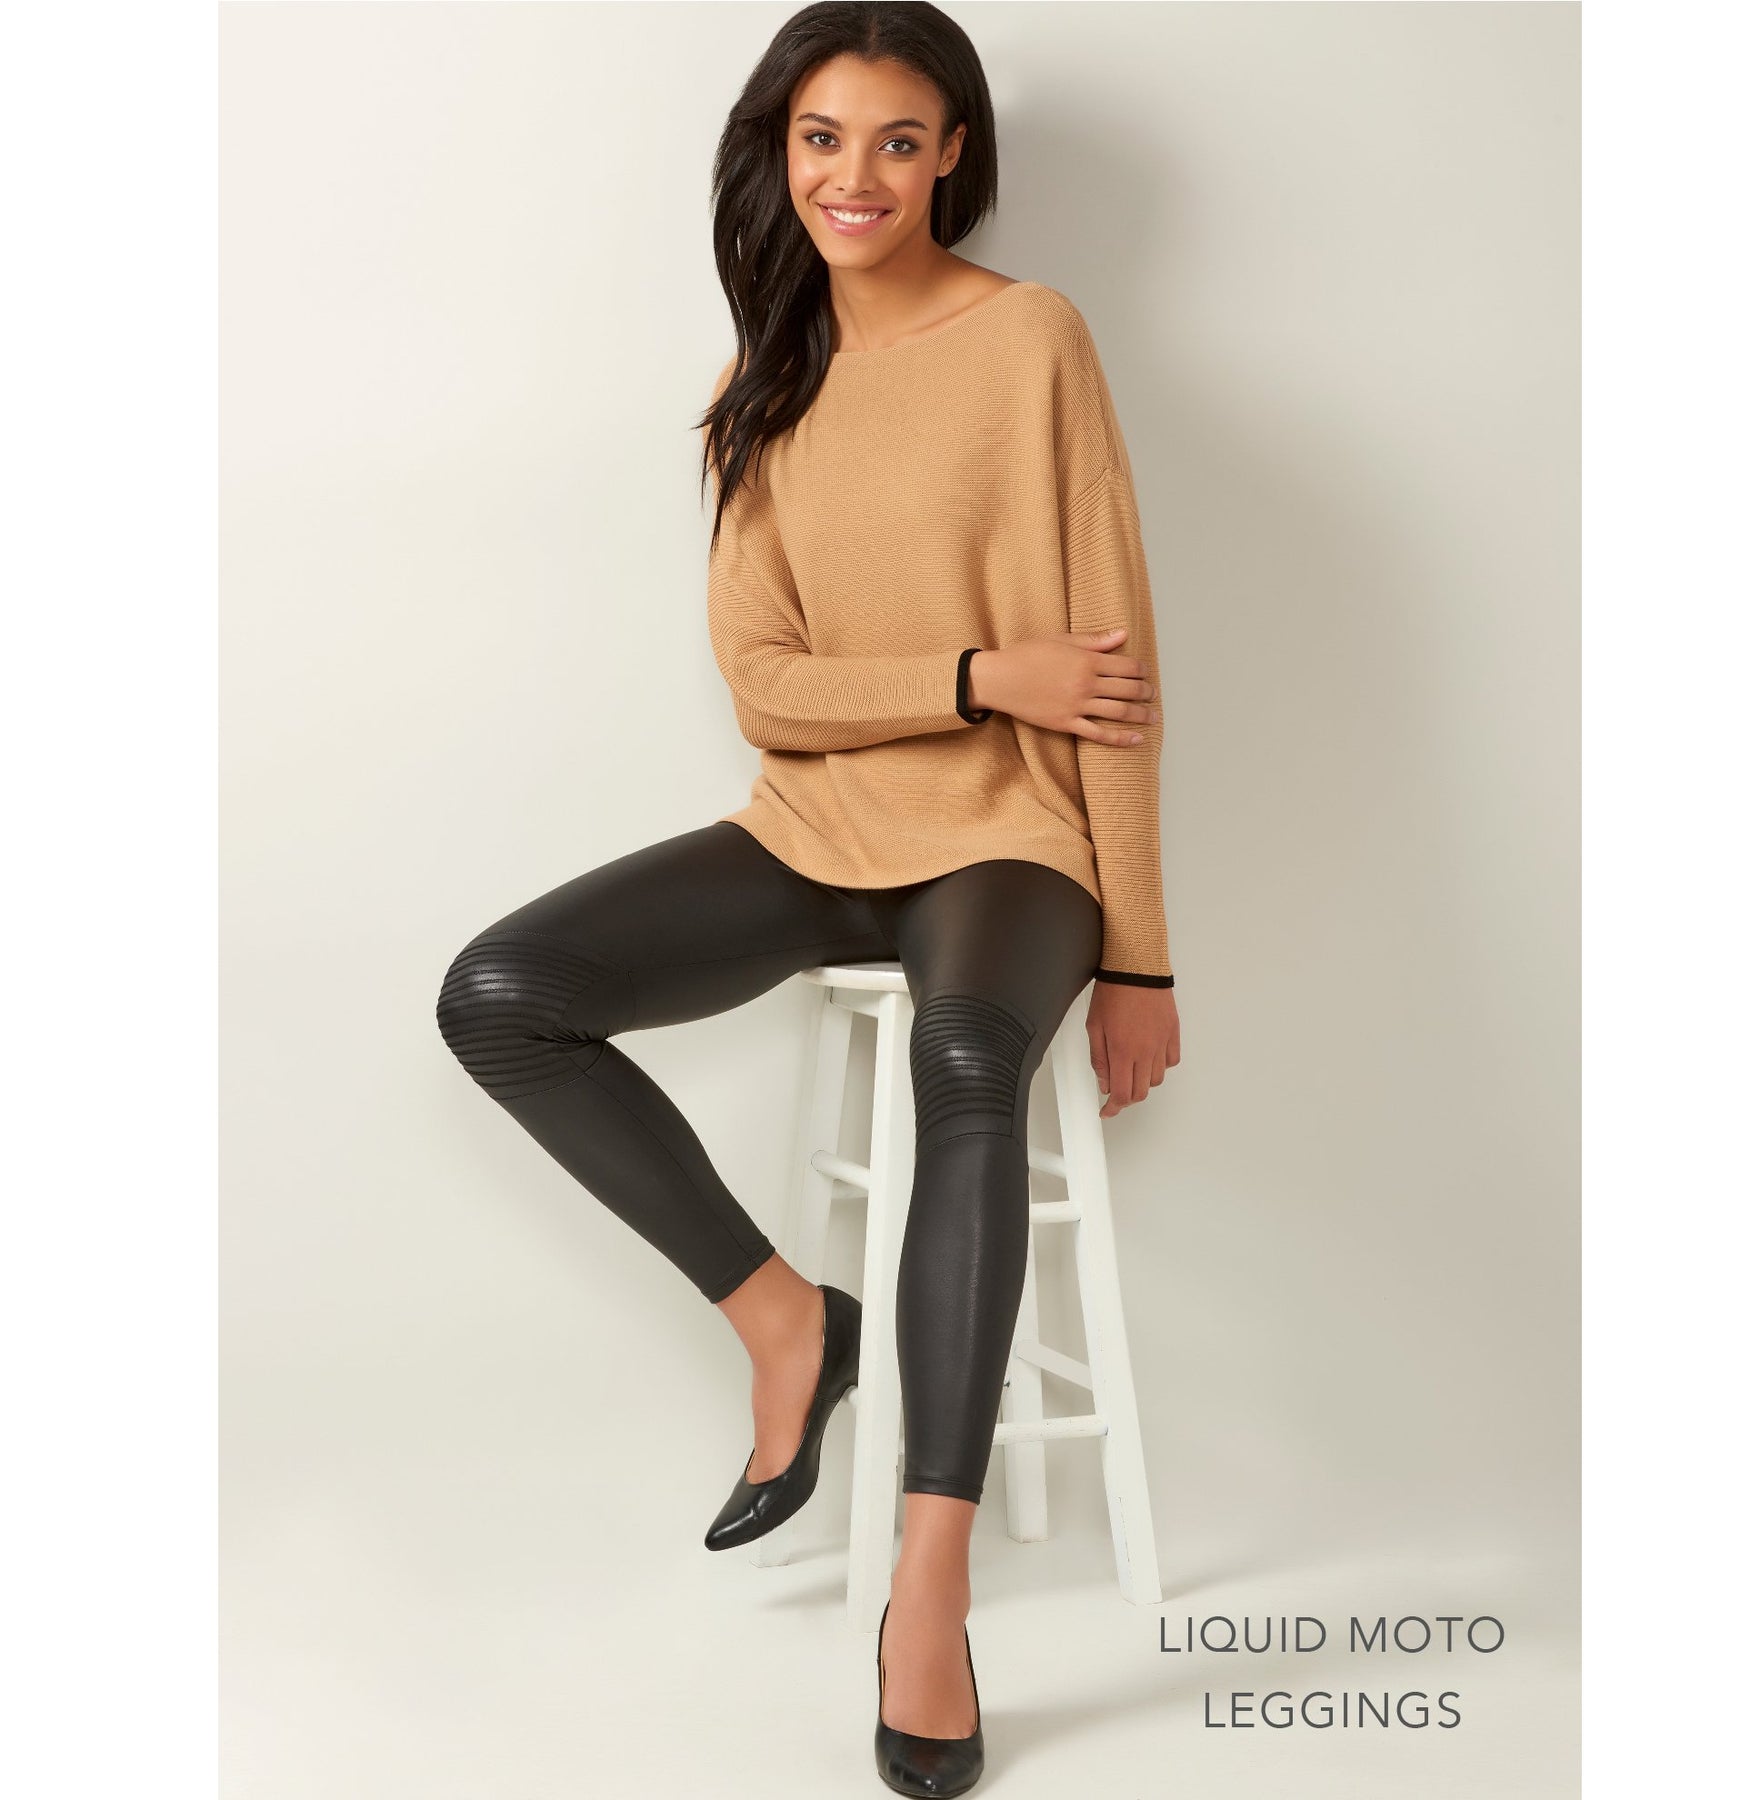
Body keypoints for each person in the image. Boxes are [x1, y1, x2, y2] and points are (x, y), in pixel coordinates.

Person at [436, 6, 1179, 1794]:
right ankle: (789, 1321)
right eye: (824, 138)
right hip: (818, 829)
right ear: (779, 154)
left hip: (1010, 842)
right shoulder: (761, 380)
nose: (859, 176)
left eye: (900, 140)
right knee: (502, 995)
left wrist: (1144, 955)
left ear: (953, 157)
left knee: (968, 1065)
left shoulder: (1033, 340)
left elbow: (1113, 676)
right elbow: (769, 687)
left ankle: (931, 1589)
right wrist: (978, 670)